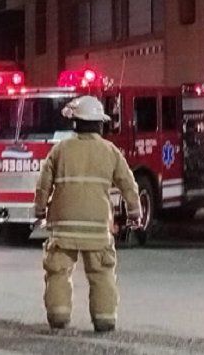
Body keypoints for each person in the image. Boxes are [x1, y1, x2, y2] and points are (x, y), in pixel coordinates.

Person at [34, 95, 141, 333]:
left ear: (75, 123)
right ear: (99, 124)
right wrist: (135, 211)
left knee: (58, 272)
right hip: (97, 226)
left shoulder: (59, 150)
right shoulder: (110, 151)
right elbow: (128, 184)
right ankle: (104, 319)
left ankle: (58, 316)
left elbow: (43, 185)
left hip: (63, 226)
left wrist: (40, 209)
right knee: (102, 273)